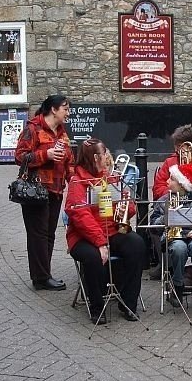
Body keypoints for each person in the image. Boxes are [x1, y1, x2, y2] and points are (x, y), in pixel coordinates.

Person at [66, 138, 146, 323]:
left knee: (137, 245)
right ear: (95, 158)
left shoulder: (110, 177)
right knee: (93, 257)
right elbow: (80, 216)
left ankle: (127, 303)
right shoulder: (77, 182)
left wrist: (126, 204)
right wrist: (100, 242)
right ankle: (96, 307)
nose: (107, 157)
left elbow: (128, 208)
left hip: (112, 231)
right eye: (104, 154)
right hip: (83, 237)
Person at [15, 95, 75, 291]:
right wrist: (45, 155)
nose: (68, 112)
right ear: (53, 110)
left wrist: (74, 180)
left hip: (56, 189)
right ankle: (41, 277)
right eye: (65, 108)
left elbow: (69, 160)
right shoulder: (32, 128)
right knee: (38, 234)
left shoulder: (62, 132)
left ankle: (44, 274)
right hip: (36, 189)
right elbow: (20, 156)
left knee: (48, 234)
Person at [149, 124, 192, 279]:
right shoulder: (170, 162)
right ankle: (167, 265)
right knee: (156, 223)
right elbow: (158, 188)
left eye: (180, 146)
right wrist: (176, 191)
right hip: (174, 209)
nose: (178, 150)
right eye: (176, 146)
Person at [150, 162, 192, 307]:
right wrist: (165, 218)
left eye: (171, 179)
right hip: (173, 238)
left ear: (181, 184)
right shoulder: (163, 201)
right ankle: (177, 285)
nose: (167, 181)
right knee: (179, 248)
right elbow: (153, 225)